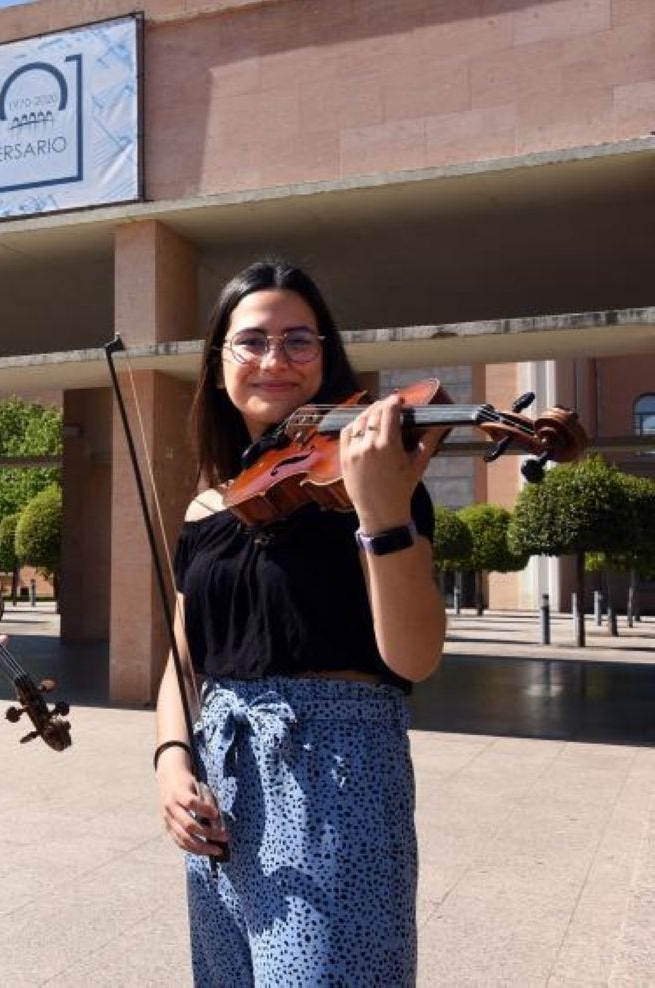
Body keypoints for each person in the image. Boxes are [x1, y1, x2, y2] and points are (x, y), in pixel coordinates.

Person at [154, 259, 446, 985]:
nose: (274, 359)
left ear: (326, 356)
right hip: (221, 776)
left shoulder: (372, 482)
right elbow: (184, 657)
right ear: (219, 364)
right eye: (251, 341)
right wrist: (169, 758)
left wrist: (382, 510)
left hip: (337, 769)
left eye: (298, 341)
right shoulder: (207, 508)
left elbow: (414, 658)